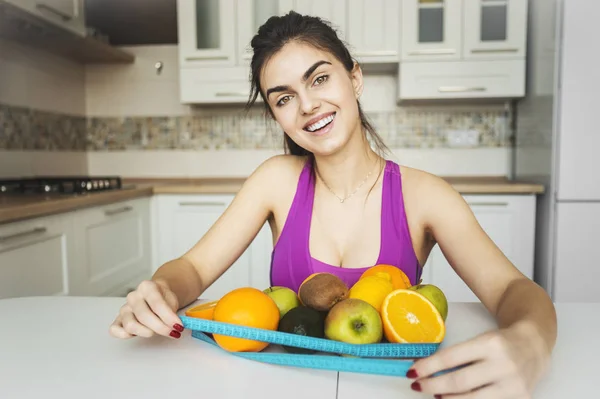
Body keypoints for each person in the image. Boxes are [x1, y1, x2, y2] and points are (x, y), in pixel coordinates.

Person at [109, 11, 556, 398]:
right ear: (276, 115)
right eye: (284, 98)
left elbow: (513, 290)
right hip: (280, 389)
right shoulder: (275, 181)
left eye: (319, 78)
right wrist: (162, 290)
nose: (307, 106)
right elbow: (192, 269)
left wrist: (529, 343)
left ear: (354, 78)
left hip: (387, 391)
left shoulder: (425, 195)